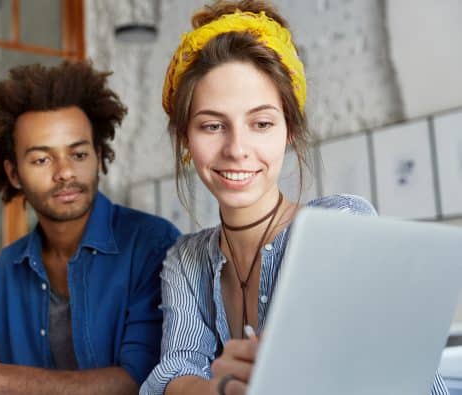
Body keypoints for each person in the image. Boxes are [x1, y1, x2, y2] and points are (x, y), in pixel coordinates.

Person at [140, 1, 449, 395]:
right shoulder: (186, 261)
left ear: (288, 131)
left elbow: (394, 379)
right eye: (213, 125)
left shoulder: (342, 225)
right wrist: (223, 389)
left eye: (261, 123)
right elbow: (173, 372)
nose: (237, 149)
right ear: (186, 139)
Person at [0, 60, 181, 395]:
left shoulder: (154, 245)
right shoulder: (8, 268)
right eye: (42, 159)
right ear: (13, 174)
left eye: (79, 154)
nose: (65, 172)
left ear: (98, 156)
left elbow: (143, 382)